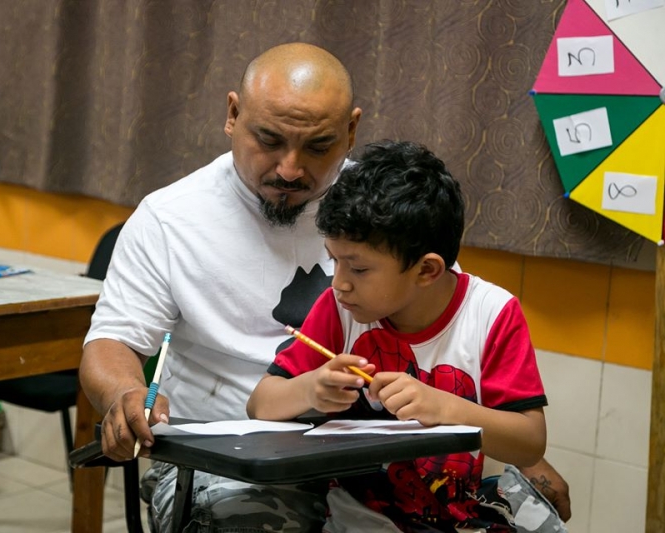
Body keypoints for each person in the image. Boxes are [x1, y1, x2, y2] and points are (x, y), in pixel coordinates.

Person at [80, 43, 570, 532]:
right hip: (228, 455)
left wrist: (515, 452)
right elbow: (111, 341)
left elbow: (442, 318)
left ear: (351, 131)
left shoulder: (377, 202)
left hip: (372, 457)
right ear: (233, 115)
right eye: (269, 139)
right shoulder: (170, 218)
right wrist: (126, 391)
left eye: (318, 147)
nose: (291, 169)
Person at [247, 139, 562, 532]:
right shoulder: (338, 309)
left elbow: (529, 442)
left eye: (358, 269)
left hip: (462, 518)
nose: (340, 283)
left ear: (427, 270)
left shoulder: (492, 314)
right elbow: (260, 405)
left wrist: (445, 409)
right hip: (358, 520)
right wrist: (311, 389)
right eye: (334, 260)